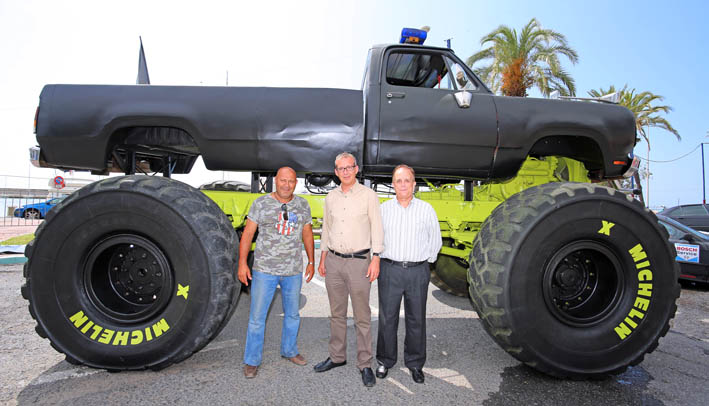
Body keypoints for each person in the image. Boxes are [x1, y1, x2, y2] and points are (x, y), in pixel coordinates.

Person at [313, 152, 383, 388]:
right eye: (340, 168)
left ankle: (365, 364)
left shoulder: (369, 196)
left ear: (356, 169)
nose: (345, 171)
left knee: (362, 317)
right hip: (333, 261)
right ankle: (337, 357)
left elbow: (377, 228)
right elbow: (326, 230)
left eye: (348, 167)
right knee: (336, 314)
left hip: (359, 262)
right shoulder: (331, 197)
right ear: (335, 172)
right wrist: (322, 258)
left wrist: (376, 258)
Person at [238, 166, 315, 378]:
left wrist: (311, 261)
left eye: (291, 181)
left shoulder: (302, 205)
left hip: (292, 271)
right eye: (283, 180)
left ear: (295, 183)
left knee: (292, 315)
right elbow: (248, 234)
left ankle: (289, 350)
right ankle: (252, 360)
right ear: (276, 181)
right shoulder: (261, 203)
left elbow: (307, 233)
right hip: (265, 270)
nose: (286, 185)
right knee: (257, 318)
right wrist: (242, 264)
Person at [375, 164, 442, 384]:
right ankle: (385, 360)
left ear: (414, 184)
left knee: (416, 320)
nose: (402, 184)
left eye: (407, 180)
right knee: (387, 318)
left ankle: (415, 364)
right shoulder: (384, 209)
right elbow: (375, 239)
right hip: (390, 269)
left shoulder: (426, 209)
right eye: (398, 180)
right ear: (393, 184)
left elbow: (436, 241)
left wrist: (425, 263)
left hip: (417, 271)